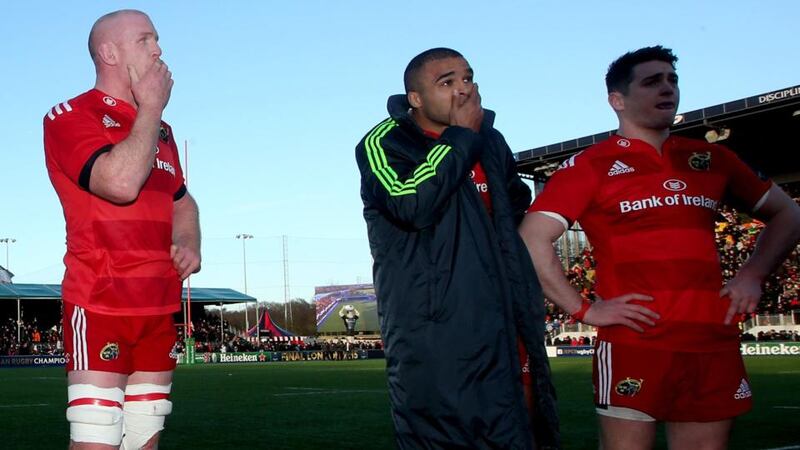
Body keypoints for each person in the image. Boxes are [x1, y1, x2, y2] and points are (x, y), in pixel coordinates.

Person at [520, 45, 800, 449]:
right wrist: (583, 309)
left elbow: (788, 214)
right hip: (636, 341)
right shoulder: (589, 165)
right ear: (617, 100)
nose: (667, 88)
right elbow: (532, 237)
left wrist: (753, 274)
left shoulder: (712, 158)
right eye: (652, 82)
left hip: (711, 337)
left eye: (672, 79)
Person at [356, 47, 558, 449]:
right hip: (436, 331)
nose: (463, 90)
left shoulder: (491, 141)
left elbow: (518, 211)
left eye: (467, 78)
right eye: (446, 82)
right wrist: (461, 137)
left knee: (521, 430)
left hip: (506, 321)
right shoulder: (383, 142)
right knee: (445, 437)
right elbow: (409, 202)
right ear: (415, 98)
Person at [43, 10, 201, 450]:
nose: (158, 50)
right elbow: (119, 184)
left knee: (144, 440)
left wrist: (189, 241)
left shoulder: (162, 131)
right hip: (100, 303)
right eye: (145, 40)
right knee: (98, 441)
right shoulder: (70, 115)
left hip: (158, 305)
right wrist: (150, 107)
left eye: (157, 40)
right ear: (110, 53)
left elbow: (183, 201)